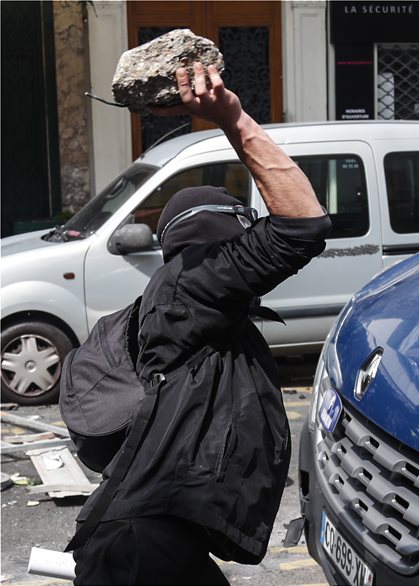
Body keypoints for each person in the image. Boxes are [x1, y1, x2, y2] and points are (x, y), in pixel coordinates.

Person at [69, 62, 331, 584]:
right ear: (218, 239)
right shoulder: (189, 290)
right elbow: (301, 225)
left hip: (150, 541)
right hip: (140, 553)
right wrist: (231, 119)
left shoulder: (188, 308)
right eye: (242, 231)